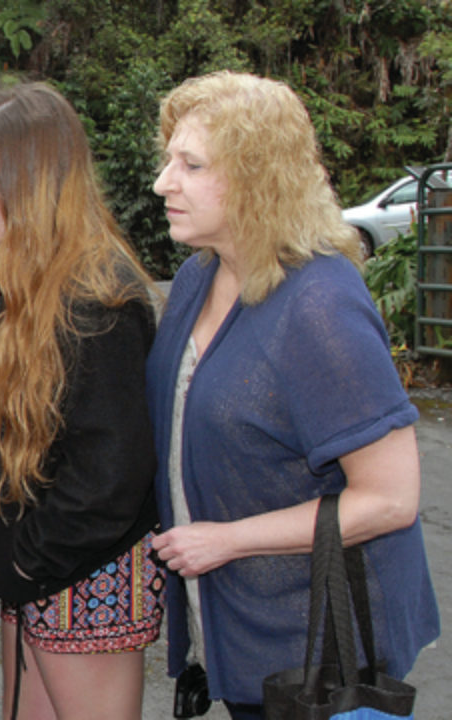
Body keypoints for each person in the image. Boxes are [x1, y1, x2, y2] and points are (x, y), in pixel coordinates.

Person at [146, 70, 440, 719]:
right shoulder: (198, 277)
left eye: (190, 165)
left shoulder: (319, 307)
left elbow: (391, 498)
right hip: (241, 635)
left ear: (258, 179)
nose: (164, 182)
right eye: (170, 160)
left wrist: (228, 539)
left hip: (321, 655)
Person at [0, 81, 166, 720]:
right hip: (40, 577)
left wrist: (24, 566)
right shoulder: (24, 273)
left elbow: (113, 474)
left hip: (85, 576)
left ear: (43, 184)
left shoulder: (98, 298)